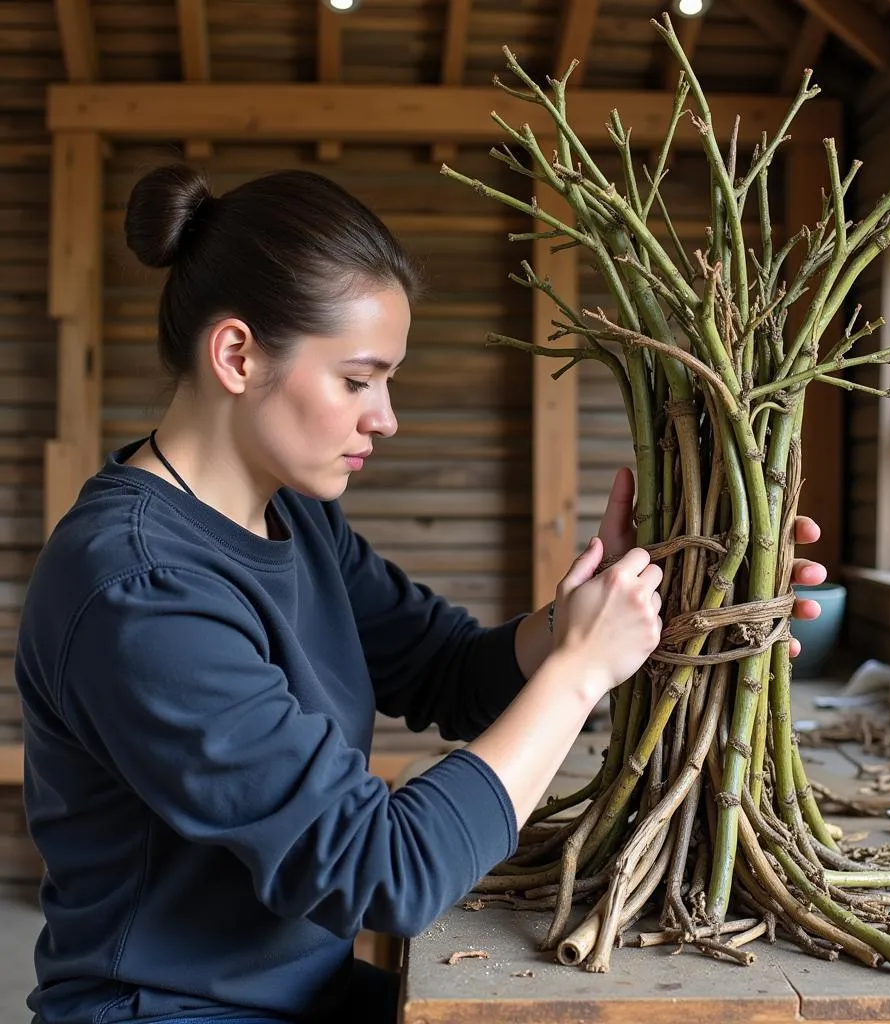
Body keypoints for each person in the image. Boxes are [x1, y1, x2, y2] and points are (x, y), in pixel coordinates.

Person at [15, 165, 827, 1024]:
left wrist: (612, 607)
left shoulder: (292, 515)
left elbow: (444, 669)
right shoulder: (138, 591)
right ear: (237, 355)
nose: (387, 417)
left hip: (298, 994)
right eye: (358, 380)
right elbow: (383, 872)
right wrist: (580, 674)